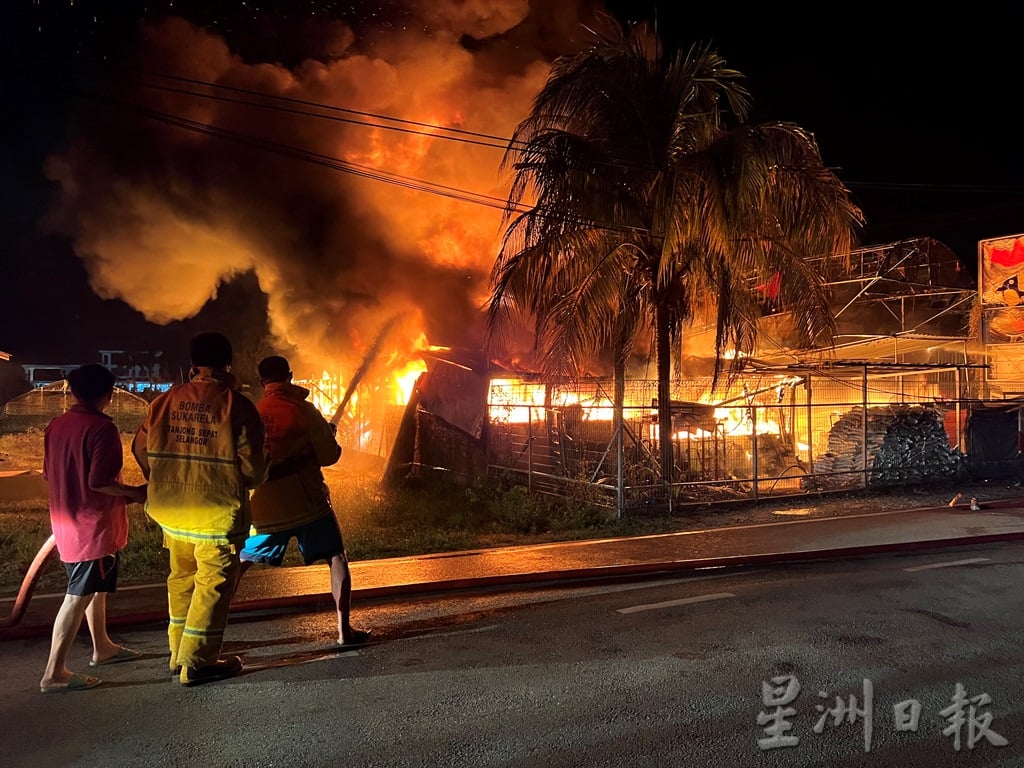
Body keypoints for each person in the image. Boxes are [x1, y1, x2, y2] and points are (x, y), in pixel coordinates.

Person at [132, 332, 267, 686]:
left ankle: (178, 654)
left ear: (193, 364)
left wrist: (159, 479)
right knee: (213, 586)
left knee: (181, 580)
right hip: (215, 515)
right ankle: (198, 663)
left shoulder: (162, 402)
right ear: (228, 363)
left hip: (172, 513)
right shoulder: (236, 405)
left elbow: (139, 447)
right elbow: (253, 469)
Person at [239, 355, 370, 647]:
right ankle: (343, 632)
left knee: (241, 561)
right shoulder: (305, 410)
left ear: (262, 382)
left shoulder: (253, 413)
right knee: (336, 557)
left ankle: (213, 625)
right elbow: (329, 456)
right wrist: (328, 436)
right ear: (291, 376)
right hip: (308, 504)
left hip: (265, 507)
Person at [39, 364, 147, 694]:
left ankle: (103, 647)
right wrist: (136, 492)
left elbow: (48, 474)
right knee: (78, 595)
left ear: (72, 391)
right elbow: (99, 482)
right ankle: (54, 672)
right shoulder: (102, 429)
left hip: (66, 521)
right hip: (92, 528)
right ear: (109, 396)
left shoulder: (56, 425)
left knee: (94, 588)